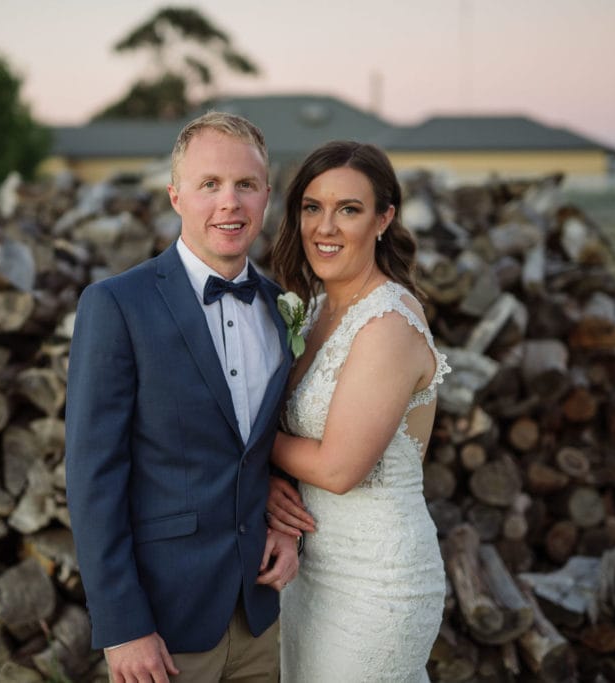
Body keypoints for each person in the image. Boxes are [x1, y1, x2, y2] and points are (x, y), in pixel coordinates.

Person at [65, 111, 301, 683]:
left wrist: (287, 525)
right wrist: (122, 626)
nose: (230, 203)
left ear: (266, 196)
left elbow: (266, 444)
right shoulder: (117, 305)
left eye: (246, 185)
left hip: (262, 620)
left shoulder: (283, 308)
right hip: (164, 626)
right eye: (209, 184)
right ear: (176, 195)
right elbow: (92, 477)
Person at [266, 140, 449, 682]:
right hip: (311, 569)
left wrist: (243, 442)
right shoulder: (317, 309)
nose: (326, 227)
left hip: (376, 580)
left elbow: (340, 469)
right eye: (312, 208)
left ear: (384, 219)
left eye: (349, 209)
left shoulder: (388, 323)